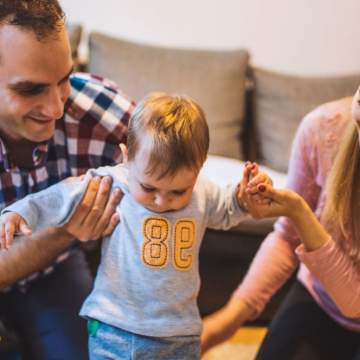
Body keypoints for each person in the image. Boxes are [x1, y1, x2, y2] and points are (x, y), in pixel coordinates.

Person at [0, 93, 272, 359]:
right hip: (116, 328)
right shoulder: (114, 182)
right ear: (127, 157)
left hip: (180, 332)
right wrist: (22, 212)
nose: (161, 200)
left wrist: (246, 197)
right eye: (148, 187)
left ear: (200, 168)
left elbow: (229, 208)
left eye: (178, 192)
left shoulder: (202, 192)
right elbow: (60, 197)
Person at [0, 1, 132, 358]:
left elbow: (174, 176)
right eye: (30, 90)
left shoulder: (103, 113)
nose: (56, 108)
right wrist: (66, 229)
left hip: (56, 271)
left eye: (63, 81)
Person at [201, 90, 360, 359]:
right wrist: (225, 323)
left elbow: (354, 304)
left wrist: (301, 214)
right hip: (319, 297)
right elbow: (287, 238)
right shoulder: (322, 128)